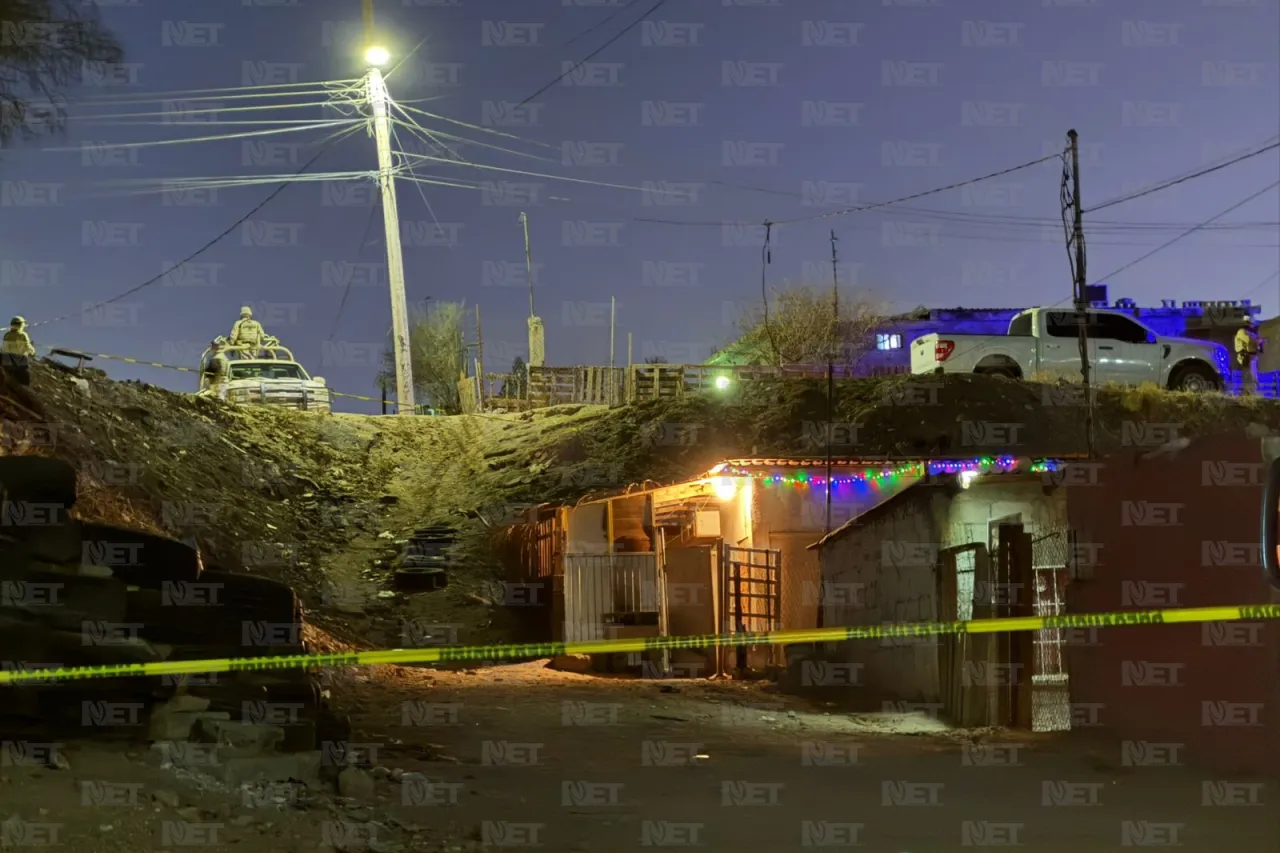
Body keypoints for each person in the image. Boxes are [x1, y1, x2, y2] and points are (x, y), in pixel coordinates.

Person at [1, 316, 37, 386]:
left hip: (6, 361)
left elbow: (4, 348)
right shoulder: (23, 335)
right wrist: (32, 352)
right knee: (24, 381)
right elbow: (28, 347)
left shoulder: (7, 335)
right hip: (19, 362)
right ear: (21, 324)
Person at [1234, 318, 1261, 395]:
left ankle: (1251, 393)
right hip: (1246, 356)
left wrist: (1259, 342)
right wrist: (1257, 341)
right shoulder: (1242, 331)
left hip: (1252, 356)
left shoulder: (1250, 333)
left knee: (1252, 376)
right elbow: (1249, 340)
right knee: (1249, 376)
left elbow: (1257, 344)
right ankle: (1248, 394)